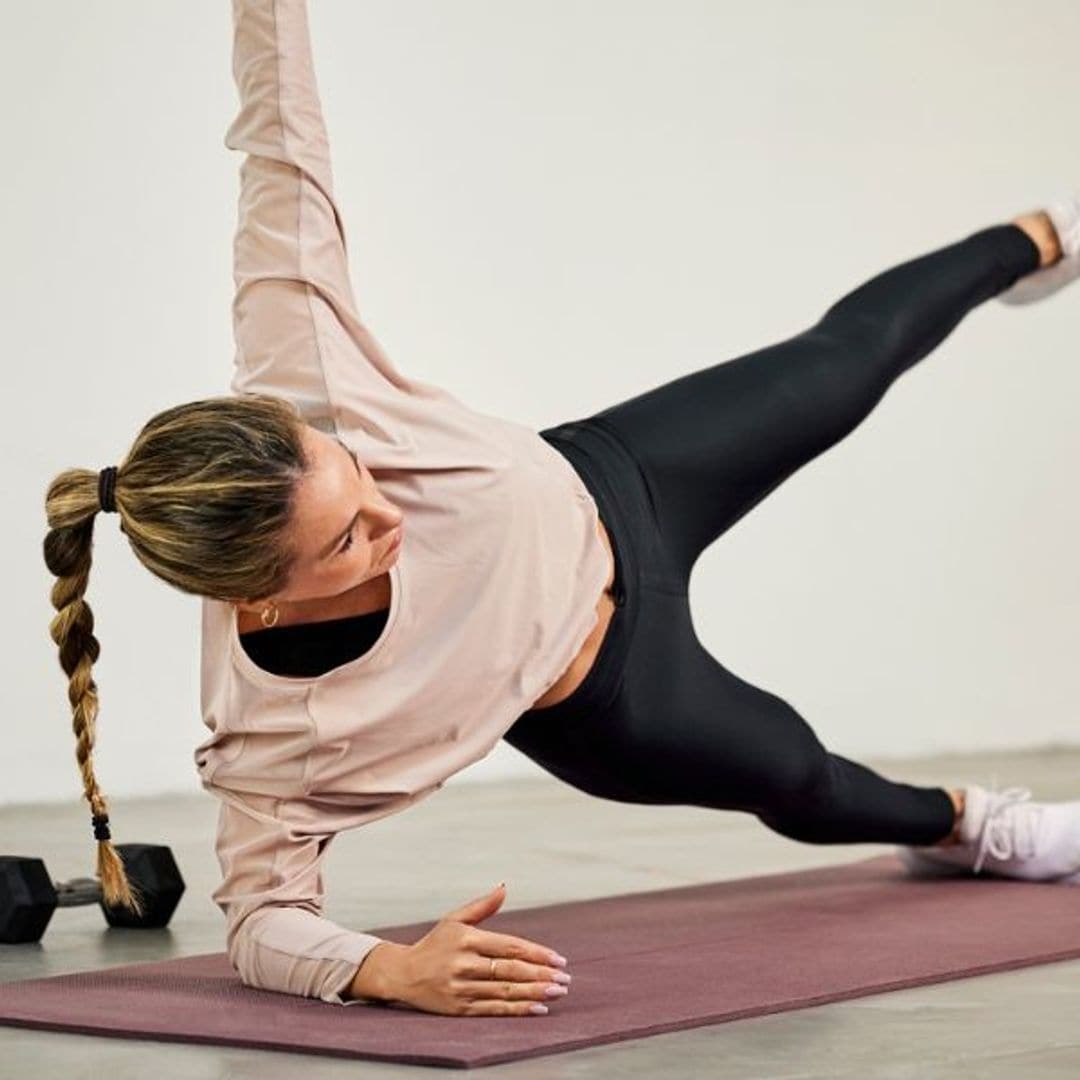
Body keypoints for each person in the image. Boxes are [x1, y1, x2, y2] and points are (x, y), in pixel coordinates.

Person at [41, 0, 1080, 1019]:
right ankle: (972, 828)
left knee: (840, 364)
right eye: (349, 538)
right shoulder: (276, 737)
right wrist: (382, 971)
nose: (387, 511)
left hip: (618, 478)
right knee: (802, 781)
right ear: (262, 600)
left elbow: (278, 138)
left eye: (354, 468)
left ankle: (1036, 240)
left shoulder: (298, 361)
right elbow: (264, 922)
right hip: (612, 691)